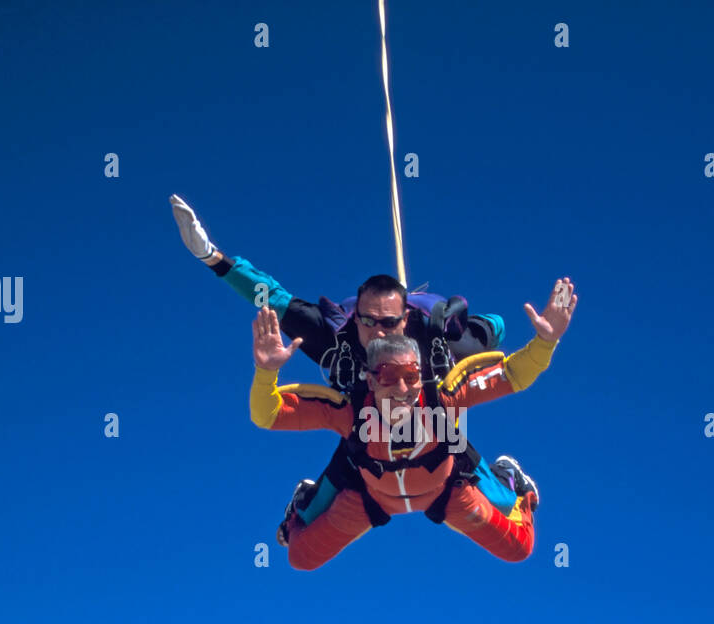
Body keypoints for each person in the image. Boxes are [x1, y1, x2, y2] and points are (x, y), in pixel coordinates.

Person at [170, 194, 538, 538]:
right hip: (364, 433)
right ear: (356, 319)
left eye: (389, 323)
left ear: (406, 320)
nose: (379, 333)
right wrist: (214, 259)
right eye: (369, 322)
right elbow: (272, 297)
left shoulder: (433, 336)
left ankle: (507, 476)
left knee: (504, 503)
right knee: (309, 519)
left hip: (439, 431)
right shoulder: (334, 339)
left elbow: (497, 349)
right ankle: (305, 498)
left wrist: (532, 339)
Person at [248, 275, 576, 569]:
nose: (402, 388)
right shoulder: (350, 413)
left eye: (411, 375)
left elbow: (514, 373)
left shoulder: (444, 398)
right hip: (372, 496)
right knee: (300, 557)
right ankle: (303, 502)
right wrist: (266, 372)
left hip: (446, 490)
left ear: (422, 378)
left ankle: (514, 483)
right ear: (372, 380)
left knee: (519, 548)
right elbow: (268, 415)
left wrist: (546, 342)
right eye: (389, 376)